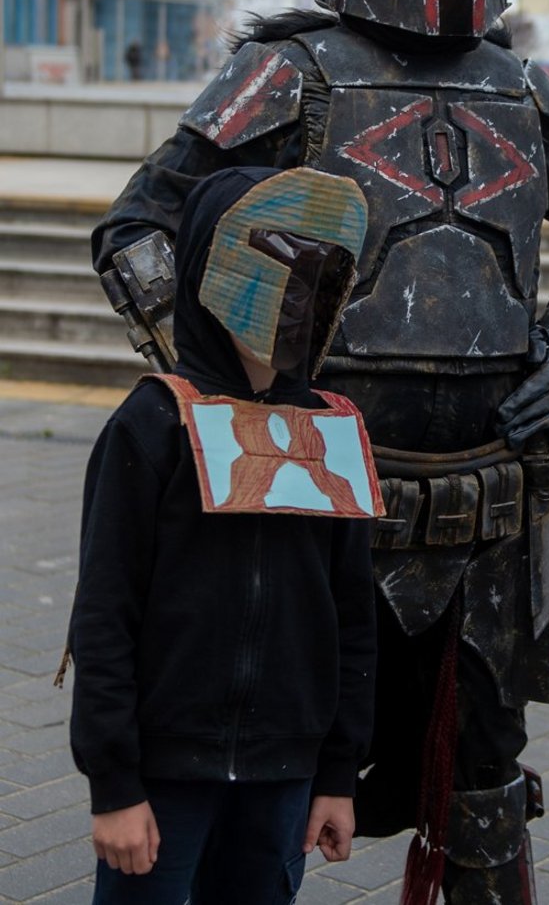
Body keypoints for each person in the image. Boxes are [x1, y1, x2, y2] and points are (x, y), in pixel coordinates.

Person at [90, 0, 549, 901]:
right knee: (268, 779)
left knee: (483, 792)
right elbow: (138, 234)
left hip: (488, 510)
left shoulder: (521, 88)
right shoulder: (289, 74)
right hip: (305, 513)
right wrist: (233, 390)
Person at [65, 165, 380, 903]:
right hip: (164, 773)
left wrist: (338, 773)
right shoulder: (153, 425)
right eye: (283, 269)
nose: (300, 300)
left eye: (322, 275)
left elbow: (353, 618)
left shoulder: (330, 431)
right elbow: (104, 612)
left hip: (283, 775)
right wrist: (114, 784)